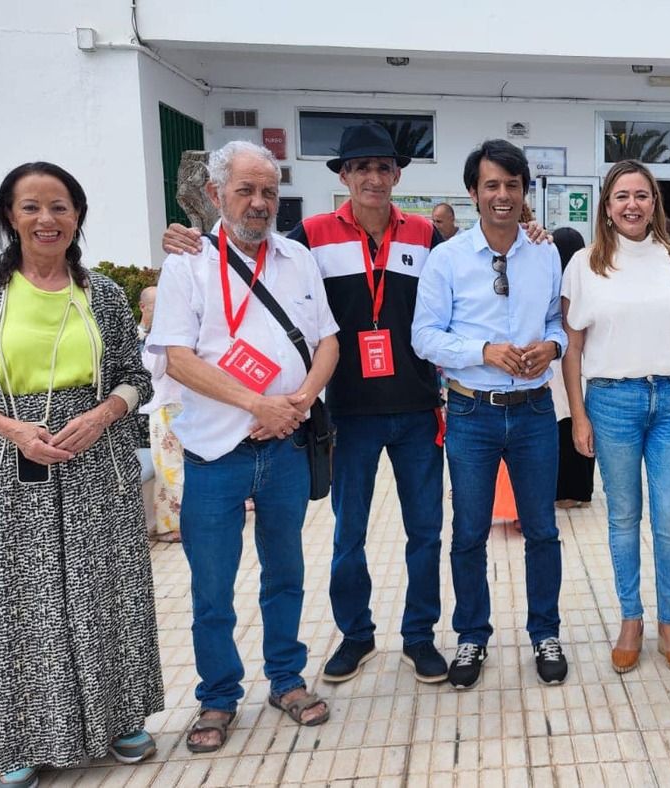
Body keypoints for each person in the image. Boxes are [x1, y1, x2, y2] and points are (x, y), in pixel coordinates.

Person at [161, 122, 453, 685]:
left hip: (418, 410)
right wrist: (189, 238)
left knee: (425, 530)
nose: (373, 177)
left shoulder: (423, 234)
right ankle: (356, 633)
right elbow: (245, 259)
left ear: (397, 175)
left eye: (383, 167)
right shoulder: (310, 236)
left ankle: (420, 635)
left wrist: (532, 234)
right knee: (349, 533)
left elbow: (464, 278)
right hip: (347, 413)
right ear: (343, 176)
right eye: (360, 167)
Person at [0, 162, 163, 787]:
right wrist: (9, 427)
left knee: (106, 594)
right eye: (31, 206)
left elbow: (137, 377)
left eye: (60, 206)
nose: (46, 219)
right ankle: (24, 739)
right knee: (22, 603)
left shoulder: (104, 294)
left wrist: (105, 411)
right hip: (17, 462)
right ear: (9, 215)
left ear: (78, 216)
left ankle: (117, 719)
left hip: (98, 456)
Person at [149, 140, 341, 751]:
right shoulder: (187, 266)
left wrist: (298, 402)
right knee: (212, 585)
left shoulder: (297, 260)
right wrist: (256, 403)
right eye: (245, 191)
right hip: (215, 453)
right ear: (216, 196)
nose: (259, 203)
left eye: (268, 192)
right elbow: (177, 357)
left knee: (285, 573)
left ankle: (286, 678)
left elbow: (329, 342)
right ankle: (217, 697)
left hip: (284, 447)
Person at [412, 140, 569, 690]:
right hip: (472, 412)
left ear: (525, 191)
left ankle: (545, 631)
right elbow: (423, 336)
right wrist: (483, 352)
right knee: (469, 533)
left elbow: (557, 322)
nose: (502, 195)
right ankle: (472, 637)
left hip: (533, 412)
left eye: (512, 184)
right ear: (474, 193)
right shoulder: (447, 258)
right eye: (491, 185)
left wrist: (551, 349)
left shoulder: (544, 252)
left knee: (543, 531)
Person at [562, 160, 670, 674]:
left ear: (654, 203)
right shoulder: (585, 264)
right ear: (607, 206)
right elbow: (573, 349)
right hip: (612, 402)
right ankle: (631, 618)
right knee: (624, 518)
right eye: (622, 196)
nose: (632, 205)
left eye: (642, 195)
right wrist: (578, 416)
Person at [550, 227, 596, 508]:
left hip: (556, 366)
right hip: (585, 366)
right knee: (582, 423)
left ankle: (560, 490)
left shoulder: (551, 282)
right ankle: (581, 491)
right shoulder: (588, 279)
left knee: (561, 426)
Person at [139, 285, 184, 543]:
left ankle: (176, 525)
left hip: (166, 407)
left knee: (170, 468)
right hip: (184, 405)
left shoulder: (160, 335)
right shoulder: (183, 329)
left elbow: (153, 369)